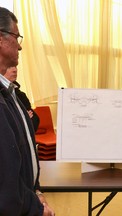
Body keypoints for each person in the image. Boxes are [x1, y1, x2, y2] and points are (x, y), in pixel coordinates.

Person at [0, 7, 55, 216]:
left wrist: (37, 190)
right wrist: (36, 208)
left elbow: (25, 152)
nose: (20, 46)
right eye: (16, 36)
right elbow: (6, 180)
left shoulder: (10, 92)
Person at [4, 66, 40, 131]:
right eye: (9, 67)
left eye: (15, 66)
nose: (15, 70)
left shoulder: (21, 95)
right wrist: (23, 118)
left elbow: (35, 120)